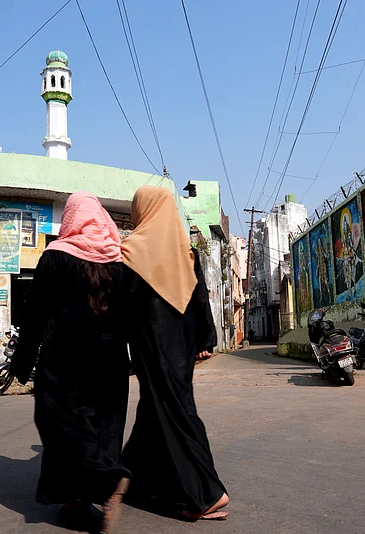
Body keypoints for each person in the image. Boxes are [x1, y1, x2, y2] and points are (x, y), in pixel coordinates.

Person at [10, 191, 130, 533]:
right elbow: (131, 315)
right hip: (111, 359)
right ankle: (80, 500)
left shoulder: (55, 257)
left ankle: (105, 481)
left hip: (65, 358)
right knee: (106, 424)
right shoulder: (117, 259)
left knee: (58, 419)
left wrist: (22, 360)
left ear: (71, 218)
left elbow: (35, 316)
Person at [120, 186, 229, 521]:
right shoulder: (186, 251)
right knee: (157, 409)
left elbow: (124, 308)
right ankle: (132, 475)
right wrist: (205, 340)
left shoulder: (130, 252)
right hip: (182, 348)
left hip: (152, 347)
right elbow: (200, 302)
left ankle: (207, 493)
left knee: (175, 412)